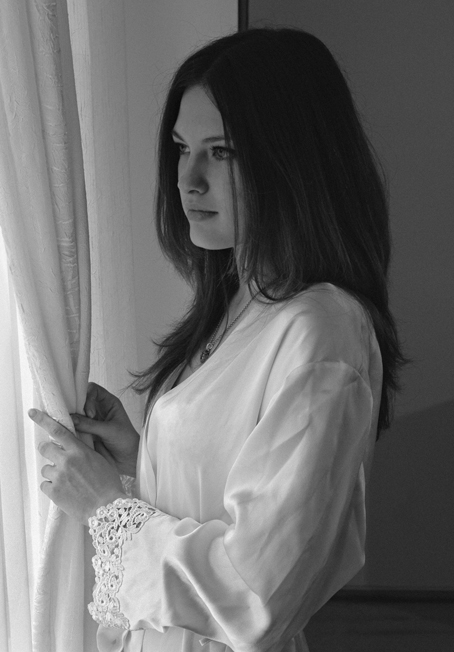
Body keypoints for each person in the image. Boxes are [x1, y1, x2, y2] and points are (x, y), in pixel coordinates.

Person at [29, 27, 406, 652]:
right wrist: (139, 460)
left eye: (222, 152)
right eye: (182, 148)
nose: (189, 179)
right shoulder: (241, 303)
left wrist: (105, 508)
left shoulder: (321, 332)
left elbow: (257, 594)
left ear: (293, 160)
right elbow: (231, 495)